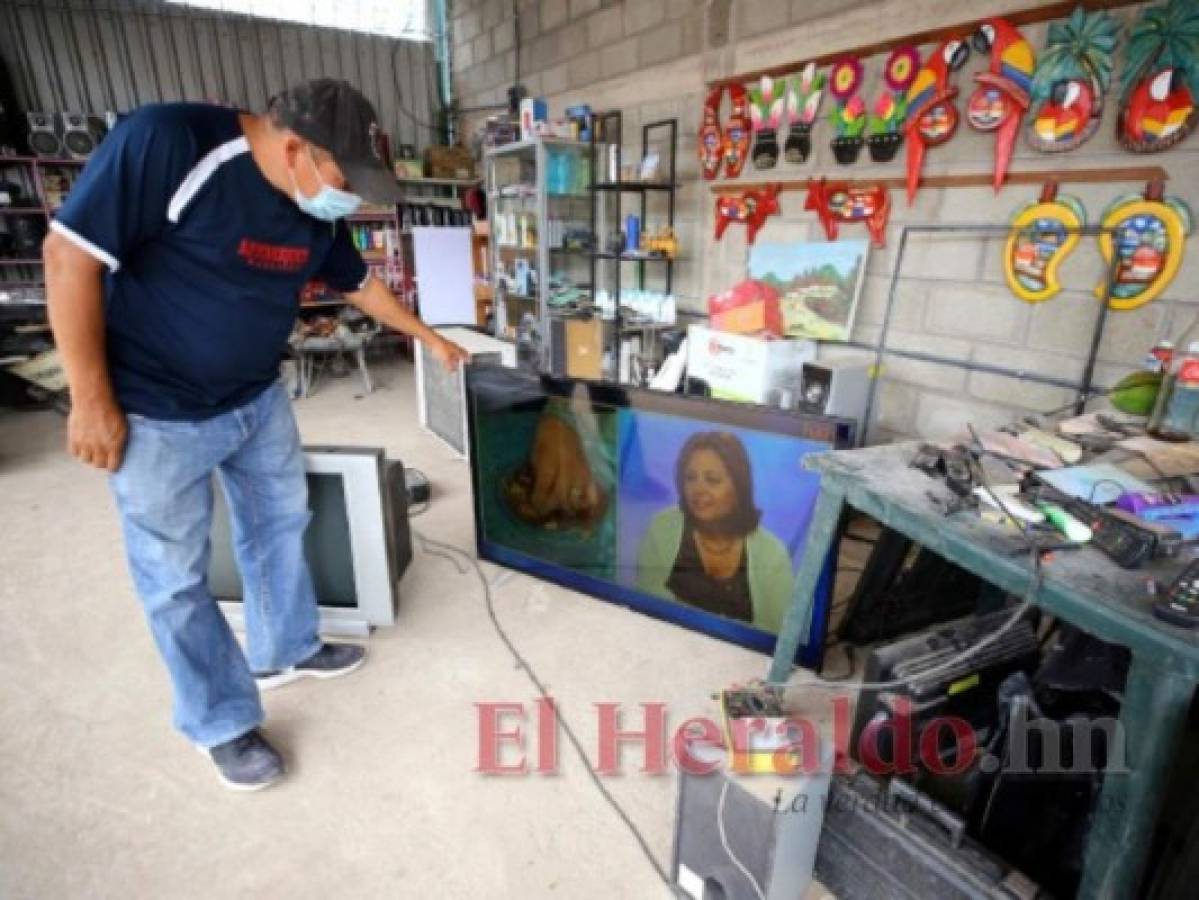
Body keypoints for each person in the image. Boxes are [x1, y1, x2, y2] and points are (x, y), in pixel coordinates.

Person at [42, 79, 468, 791]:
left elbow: (359, 285)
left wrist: (427, 337)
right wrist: (90, 401)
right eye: (344, 179)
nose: (349, 197)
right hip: (155, 408)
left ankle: (285, 648)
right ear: (295, 146)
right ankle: (222, 721)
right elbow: (69, 257)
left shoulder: (310, 207)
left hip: (254, 396)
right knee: (175, 580)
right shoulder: (169, 142)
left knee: (278, 524)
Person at [636, 432, 794, 631]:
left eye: (713, 479)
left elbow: (779, 637)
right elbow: (646, 599)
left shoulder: (772, 555)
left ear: (739, 487)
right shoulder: (662, 526)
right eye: (690, 478)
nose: (698, 489)